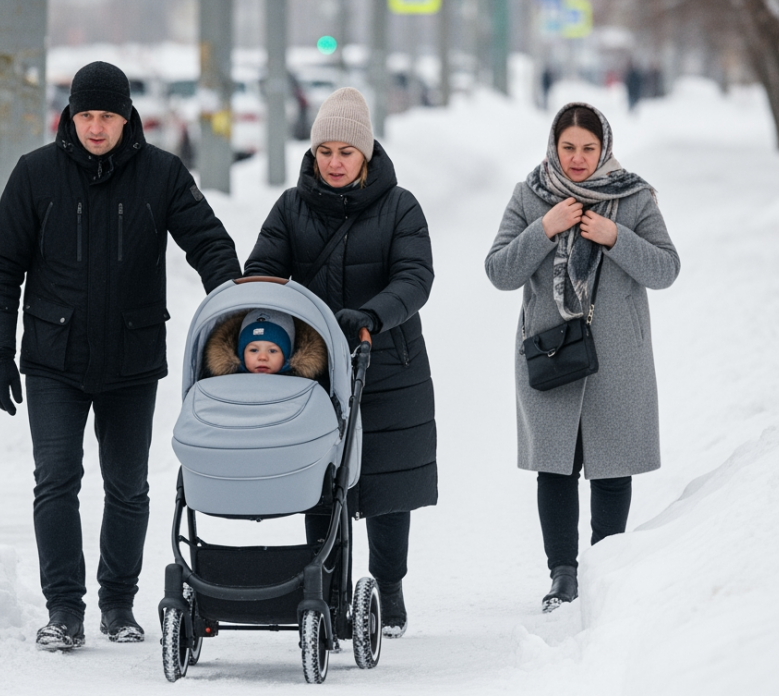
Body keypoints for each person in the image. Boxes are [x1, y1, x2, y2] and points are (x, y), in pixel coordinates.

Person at [0, 61, 242, 650]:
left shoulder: (161, 174)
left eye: (107, 116)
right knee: (56, 481)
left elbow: (209, 244)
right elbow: (1, 268)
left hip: (131, 357)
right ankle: (64, 609)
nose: (96, 127)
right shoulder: (35, 174)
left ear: (128, 118)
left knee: (127, 487)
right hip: (53, 358)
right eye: (86, 115)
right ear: (70, 115)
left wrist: (234, 314)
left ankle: (118, 605)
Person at [244, 87, 436, 638]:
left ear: (365, 154)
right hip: (315, 369)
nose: (333, 162)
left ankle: (389, 588)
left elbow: (415, 277)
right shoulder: (290, 207)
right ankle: (324, 587)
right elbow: (263, 271)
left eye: (345, 152)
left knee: (387, 482)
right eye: (324, 151)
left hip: (388, 361)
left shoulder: (400, 207)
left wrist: (372, 315)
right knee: (320, 479)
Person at [483, 102, 680, 613]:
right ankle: (563, 575)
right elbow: (500, 271)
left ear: (604, 148)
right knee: (556, 468)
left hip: (618, 355)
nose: (577, 158)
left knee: (613, 468)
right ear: (554, 146)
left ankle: (604, 571)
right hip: (550, 350)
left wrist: (616, 238)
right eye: (568, 147)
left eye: (588, 148)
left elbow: (665, 269)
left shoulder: (633, 197)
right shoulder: (530, 195)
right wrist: (544, 228)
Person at [204, 308, 328, 378]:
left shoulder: (305, 383)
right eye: (254, 350)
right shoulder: (223, 380)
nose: (262, 357)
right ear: (241, 353)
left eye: (272, 351)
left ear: (288, 355)